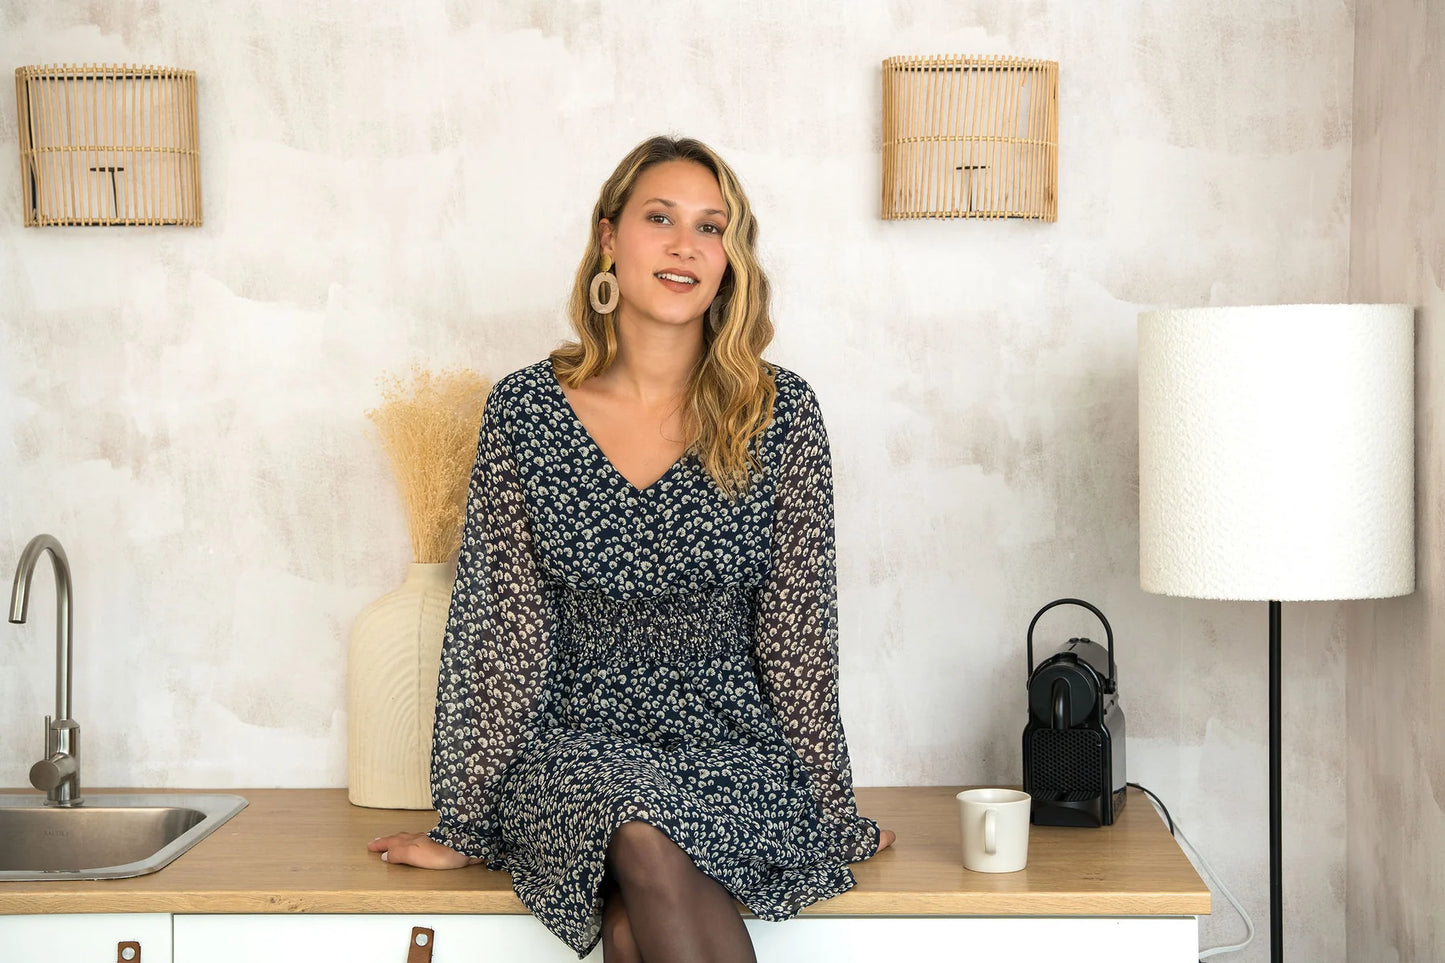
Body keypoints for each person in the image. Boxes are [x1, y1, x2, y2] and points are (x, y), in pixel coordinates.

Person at [368, 135, 895, 962]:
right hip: (571, 743)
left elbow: (798, 638)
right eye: (660, 218)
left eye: (711, 227)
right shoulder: (527, 413)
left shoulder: (780, 414)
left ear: (730, 259)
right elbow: (502, 631)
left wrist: (832, 809)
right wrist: (465, 819)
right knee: (641, 827)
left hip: (735, 744)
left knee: (628, 925)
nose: (686, 245)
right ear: (608, 237)